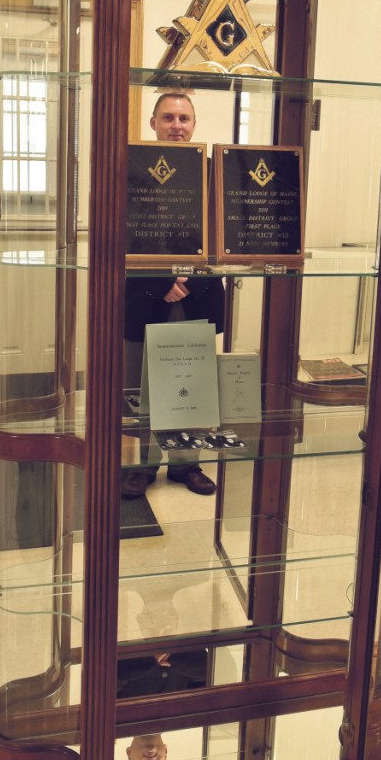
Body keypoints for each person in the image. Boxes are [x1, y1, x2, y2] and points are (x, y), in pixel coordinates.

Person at [122, 93, 225, 499]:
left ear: (195, 125)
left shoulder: (212, 174)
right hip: (143, 295)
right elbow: (123, 238)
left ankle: (187, 464)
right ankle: (142, 466)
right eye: (168, 117)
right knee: (141, 386)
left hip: (195, 296)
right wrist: (159, 282)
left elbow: (222, 239)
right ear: (153, 123)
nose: (176, 125)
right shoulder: (130, 170)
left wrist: (187, 281)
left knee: (190, 382)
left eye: (184, 118)